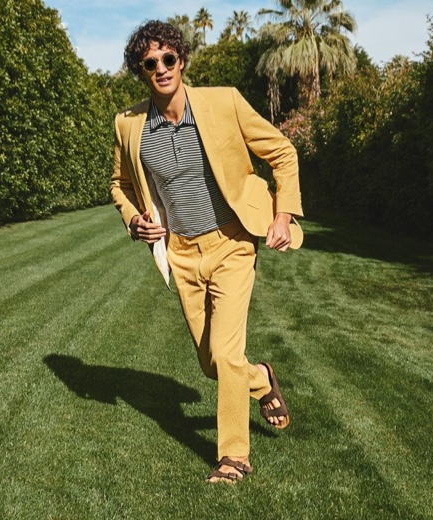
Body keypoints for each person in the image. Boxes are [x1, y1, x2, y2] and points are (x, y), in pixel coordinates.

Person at [109, 20, 303, 483]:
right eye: (149, 63)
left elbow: (283, 152)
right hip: (181, 253)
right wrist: (134, 218)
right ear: (141, 71)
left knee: (225, 350)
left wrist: (283, 214)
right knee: (211, 362)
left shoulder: (223, 101)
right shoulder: (129, 125)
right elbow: (119, 184)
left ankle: (234, 457)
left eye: (168, 59)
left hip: (232, 242)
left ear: (181, 59)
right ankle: (262, 380)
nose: (161, 69)